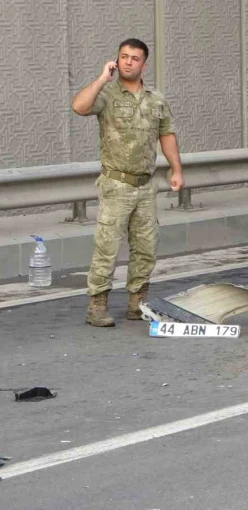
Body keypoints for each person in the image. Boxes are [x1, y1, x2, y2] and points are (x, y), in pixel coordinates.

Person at [71, 38, 184, 327]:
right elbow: (79, 107)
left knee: (146, 247)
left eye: (135, 58)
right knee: (107, 247)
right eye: (123, 56)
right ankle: (97, 306)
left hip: (146, 186)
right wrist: (101, 78)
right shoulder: (106, 93)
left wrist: (176, 169)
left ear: (144, 64)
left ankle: (137, 303)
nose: (128, 62)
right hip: (116, 184)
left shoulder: (155, 98)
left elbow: (167, 134)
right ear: (116, 60)